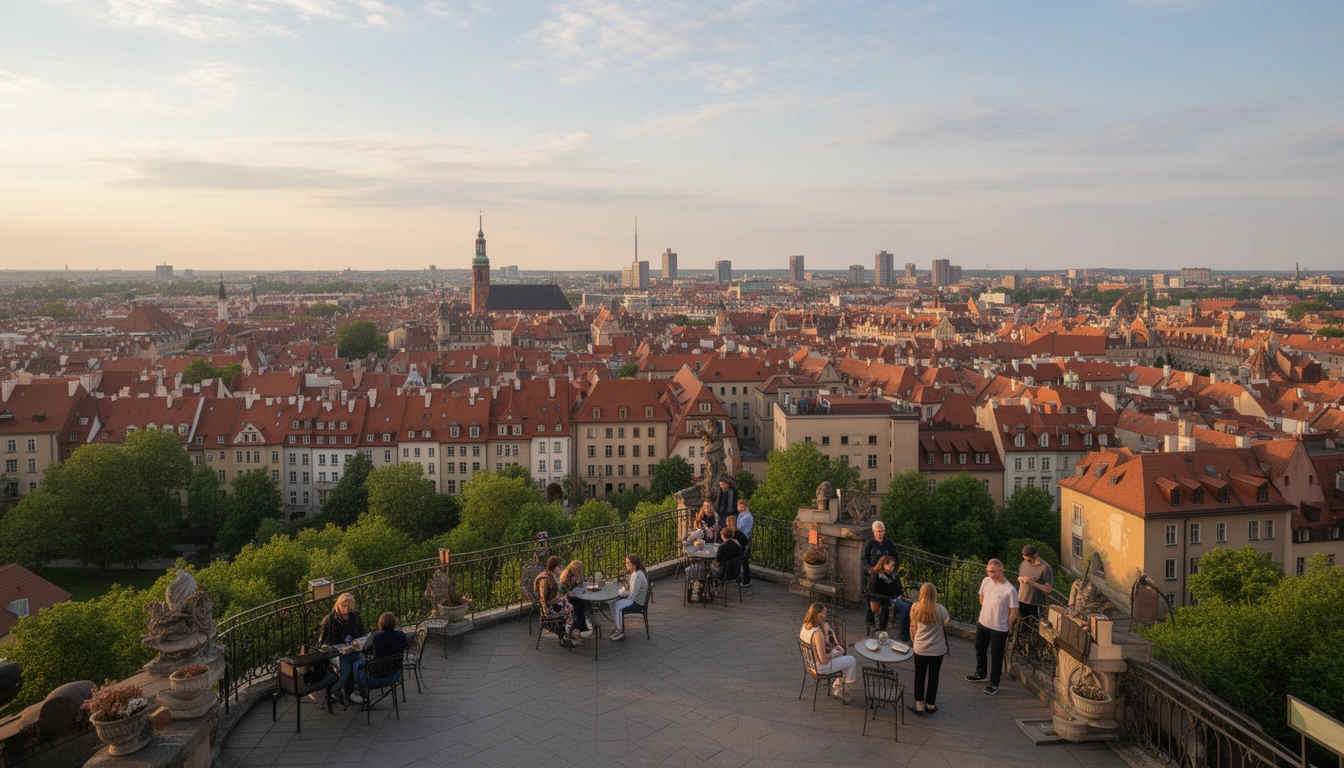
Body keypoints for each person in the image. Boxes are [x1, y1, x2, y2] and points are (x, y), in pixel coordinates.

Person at [967, 558, 1019, 695]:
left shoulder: (1009, 590)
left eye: (993, 571)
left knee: (996, 655)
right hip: (983, 622)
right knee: (980, 648)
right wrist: (986, 610)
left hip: (999, 628)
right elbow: (981, 596)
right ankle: (981, 673)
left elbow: (1014, 611)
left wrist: (1006, 627)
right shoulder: (986, 581)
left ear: (1001, 571)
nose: (990, 574)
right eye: (988, 571)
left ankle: (994, 682)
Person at [800, 602, 857, 705]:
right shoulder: (817, 633)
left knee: (842, 657)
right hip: (820, 667)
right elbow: (824, 660)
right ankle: (844, 690)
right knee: (851, 660)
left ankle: (837, 685)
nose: (825, 616)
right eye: (824, 613)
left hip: (810, 664)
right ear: (819, 615)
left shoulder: (805, 626)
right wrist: (833, 654)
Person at [317, 592, 367, 705]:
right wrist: (339, 648)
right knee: (345, 670)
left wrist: (357, 642)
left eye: (349, 605)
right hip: (338, 654)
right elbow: (324, 644)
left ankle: (356, 692)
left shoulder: (354, 616)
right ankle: (333, 691)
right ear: (338, 605)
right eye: (344, 605)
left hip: (353, 651)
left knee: (358, 666)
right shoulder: (329, 620)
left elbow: (362, 633)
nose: (347, 608)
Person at [907, 583, 950, 715]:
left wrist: (915, 641)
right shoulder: (941, 609)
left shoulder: (915, 608)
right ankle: (930, 704)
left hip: (920, 648)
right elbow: (946, 622)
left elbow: (912, 628)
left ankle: (919, 704)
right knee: (934, 676)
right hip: (937, 649)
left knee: (919, 675)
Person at [860, 521, 899, 635]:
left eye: (882, 531)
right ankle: (869, 622)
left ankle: (885, 622)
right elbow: (864, 558)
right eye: (878, 531)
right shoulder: (870, 544)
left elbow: (896, 559)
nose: (880, 534)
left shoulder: (889, 544)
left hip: (886, 577)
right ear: (874, 532)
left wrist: (892, 570)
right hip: (873, 576)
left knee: (886, 599)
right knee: (870, 599)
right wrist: (869, 568)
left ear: (884, 532)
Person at [356, 611, 407, 695]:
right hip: (395, 673)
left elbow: (365, 650)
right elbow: (404, 647)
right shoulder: (401, 635)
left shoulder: (375, 636)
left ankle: (360, 694)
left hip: (378, 675)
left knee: (358, 666)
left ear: (380, 623)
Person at [534, 556, 575, 648]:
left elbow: (553, 594)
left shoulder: (549, 575)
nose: (560, 569)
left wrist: (563, 597)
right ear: (555, 567)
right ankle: (563, 637)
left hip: (552, 604)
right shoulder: (546, 579)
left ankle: (567, 633)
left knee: (570, 605)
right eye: (559, 567)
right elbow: (544, 600)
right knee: (569, 610)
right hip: (548, 609)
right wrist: (558, 599)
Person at [611, 554, 648, 641]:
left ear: (634, 564)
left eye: (628, 563)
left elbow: (633, 595)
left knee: (616, 605)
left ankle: (619, 630)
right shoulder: (635, 573)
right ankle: (618, 627)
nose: (626, 564)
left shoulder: (637, 576)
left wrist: (622, 594)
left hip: (638, 603)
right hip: (635, 599)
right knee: (615, 603)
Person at [558, 560, 594, 642]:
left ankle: (581, 627)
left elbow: (579, 584)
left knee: (583, 603)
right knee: (578, 606)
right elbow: (562, 588)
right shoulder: (568, 575)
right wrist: (569, 592)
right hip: (566, 598)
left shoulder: (574, 574)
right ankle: (579, 628)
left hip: (573, 595)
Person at [865, 555, 903, 633]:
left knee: (906, 607)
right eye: (888, 565)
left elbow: (899, 590)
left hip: (893, 598)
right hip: (880, 600)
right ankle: (879, 629)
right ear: (883, 565)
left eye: (892, 565)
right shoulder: (876, 575)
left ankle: (903, 632)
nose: (890, 567)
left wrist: (900, 597)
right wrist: (887, 600)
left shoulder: (894, 576)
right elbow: (871, 592)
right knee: (884, 609)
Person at [1016, 545, 1054, 620]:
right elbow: (1018, 577)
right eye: (1026, 560)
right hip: (1020, 600)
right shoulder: (1024, 563)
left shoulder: (1045, 568)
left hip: (1034, 603)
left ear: (1035, 555)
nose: (1028, 562)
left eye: (1029, 560)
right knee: (1019, 625)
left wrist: (1031, 582)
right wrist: (1020, 579)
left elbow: (1048, 589)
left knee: (1032, 627)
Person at [735, 498, 754, 587]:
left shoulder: (747, 517)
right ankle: (740, 577)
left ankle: (746, 579)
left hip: (744, 539)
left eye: (741, 507)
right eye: (738, 506)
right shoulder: (741, 515)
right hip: (742, 537)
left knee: (744, 559)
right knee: (741, 558)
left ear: (746, 507)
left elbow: (739, 527)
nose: (739, 508)